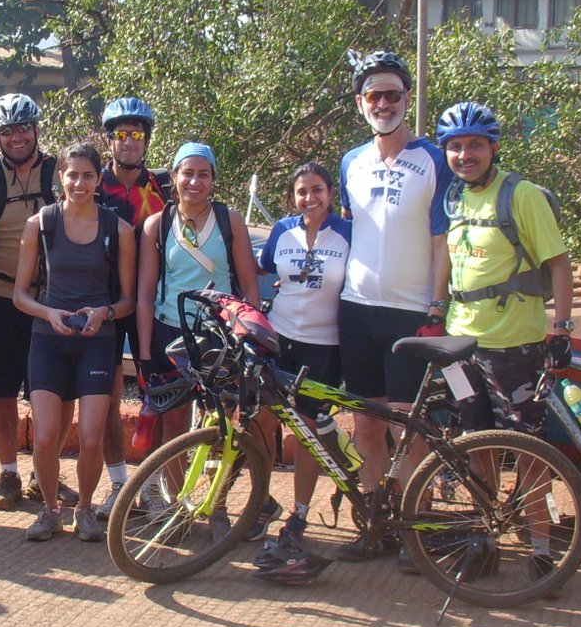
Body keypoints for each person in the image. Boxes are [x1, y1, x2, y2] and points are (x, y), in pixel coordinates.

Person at [437, 101, 574, 588]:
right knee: (477, 447)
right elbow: (451, 263)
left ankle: (540, 550)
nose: (464, 154)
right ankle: (487, 541)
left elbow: (558, 262)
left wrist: (562, 328)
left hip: (515, 345)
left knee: (528, 450)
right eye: (455, 146)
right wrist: (437, 311)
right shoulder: (455, 197)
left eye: (474, 144)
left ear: (493, 148)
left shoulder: (522, 195)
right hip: (462, 344)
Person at [333, 50, 452, 562]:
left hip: (411, 310)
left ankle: (414, 527)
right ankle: (378, 524)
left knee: (409, 424)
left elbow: (443, 239)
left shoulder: (433, 159)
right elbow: (345, 231)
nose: (384, 103)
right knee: (366, 425)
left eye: (393, 94)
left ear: (408, 98)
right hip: (358, 309)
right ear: (361, 103)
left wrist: (438, 305)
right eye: (374, 96)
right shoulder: (350, 162)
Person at [12, 142, 136, 542]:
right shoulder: (40, 225)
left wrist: (105, 313)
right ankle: (50, 510)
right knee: (46, 437)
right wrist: (48, 313)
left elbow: (129, 299)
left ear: (99, 179)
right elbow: (20, 296)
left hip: (97, 341)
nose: (79, 183)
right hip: (48, 338)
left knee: (91, 438)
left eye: (87, 175)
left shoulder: (119, 230)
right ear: (60, 178)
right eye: (72, 175)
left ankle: (84, 508)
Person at [0, 93, 66, 513]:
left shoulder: (61, 174)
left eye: (23, 128)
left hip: (52, 300)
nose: (16, 137)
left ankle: (49, 475)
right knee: (2, 391)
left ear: (37, 129)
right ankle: (9, 472)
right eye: (7, 131)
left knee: (58, 393)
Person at [250, 163, 351, 572]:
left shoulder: (348, 233)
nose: (310, 198)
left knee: (307, 431)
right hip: (280, 339)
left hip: (324, 346)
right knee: (261, 421)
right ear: (292, 197)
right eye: (302, 191)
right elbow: (258, 266)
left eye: (317, 190)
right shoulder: (282, 232)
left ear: (331, 193)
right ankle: (261, 502)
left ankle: (301, 513)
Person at [135, 143, 259, 464]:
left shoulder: (229, 221)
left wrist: (250, 340)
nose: (195, 181)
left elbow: (248, 285)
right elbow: (146, 294)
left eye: (203, 174)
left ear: (213, 179)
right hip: (171, 334)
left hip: (219, 334)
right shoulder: (157, 225)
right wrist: (146, 354)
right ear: (174, 176)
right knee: (174, 426)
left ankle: (214, 504)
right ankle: (173, 503)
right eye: (187, 173)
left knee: (218, 422)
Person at [92, 96, 172, 519]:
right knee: (105, 397)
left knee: (155, 393)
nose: (128, 142)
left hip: (153, 303)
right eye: (120, 134)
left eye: (136, 134)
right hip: (106, 302)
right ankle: (119, 484)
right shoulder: (92, 182)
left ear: (146, 140)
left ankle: (153, 486)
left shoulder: (164, 186)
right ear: (109, 140)